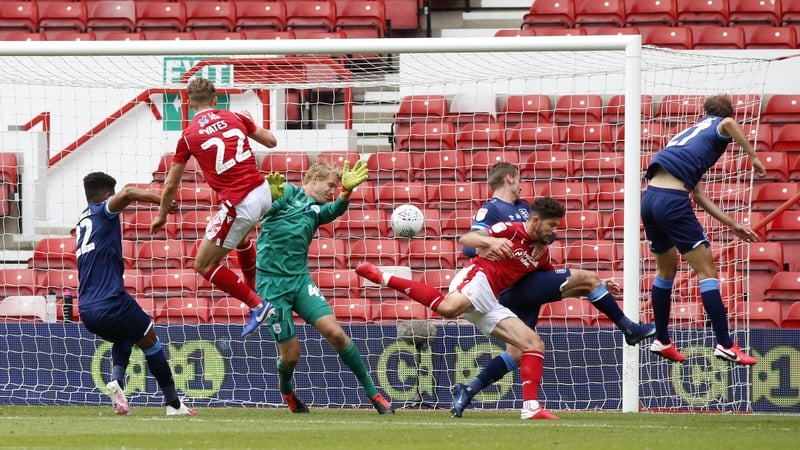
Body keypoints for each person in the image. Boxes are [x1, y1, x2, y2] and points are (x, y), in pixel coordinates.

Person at [450, 162, 656, 417]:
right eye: (519, 180)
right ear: (508, 179)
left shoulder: (525, 209)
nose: (522, 185)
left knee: (517, 352)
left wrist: (542, 246)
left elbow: (545, 237)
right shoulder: (490, 210)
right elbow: (470, 248)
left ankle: (468, 391)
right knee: (587, 280)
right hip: (511, 282)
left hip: (530, 277)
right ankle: (630, 328)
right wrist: (498, 243)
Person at [356, 197, 569, 420]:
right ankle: (383, 277)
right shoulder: (510, 229)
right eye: (552, 225)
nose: (554, 231)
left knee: (533, 343)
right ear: (536, 221)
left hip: (490, 301)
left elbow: (548, 280)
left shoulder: (541, 253)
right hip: (478, 279)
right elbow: (467, 239)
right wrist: (491, 243)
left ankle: (531, 407)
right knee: (449, 308)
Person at [257, 160, 395, 415]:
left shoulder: (316, 209)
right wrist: (267, 200)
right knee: (291, 357)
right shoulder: (287, 192)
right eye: (330, 184)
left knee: (336, 334)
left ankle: (373, 394)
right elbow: (262, 210)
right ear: (314, 178)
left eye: (335, 186)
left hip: (299, 281)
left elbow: (333, 211)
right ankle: (286, 389)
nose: (332, 189)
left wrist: (346, 193)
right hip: (272, 285)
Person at [150, 77, 281, 338]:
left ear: (188, 104)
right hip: (263, 191)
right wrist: (250, 119)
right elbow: (271, 142)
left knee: (203, 263)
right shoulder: (235, 117)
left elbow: (170, 184)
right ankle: (253, 289)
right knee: (242, 236)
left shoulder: (188, 136)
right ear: (215, 100)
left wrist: (162, 215)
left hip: (240, 202)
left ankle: (258, 305)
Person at [642, 94, 765, 365]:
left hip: (649, 199)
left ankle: (661, 339)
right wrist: (753, 157)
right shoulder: (719, 124)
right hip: (672, 202)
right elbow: (731, 124)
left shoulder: (686, 136)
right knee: (707, 272)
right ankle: (725, 343)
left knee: (665, 272)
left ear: (704, 110)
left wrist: (733, 225)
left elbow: (697, 195)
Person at [76, 172, 197, 416]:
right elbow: (129, 193)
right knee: (151, 341)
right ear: (108, 194)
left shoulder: (82, 220)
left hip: (86, 309)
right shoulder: (103, 211)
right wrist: (162, 200)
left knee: (124, 337)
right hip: (110, 301)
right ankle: (174, 404)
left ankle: (117, 384)